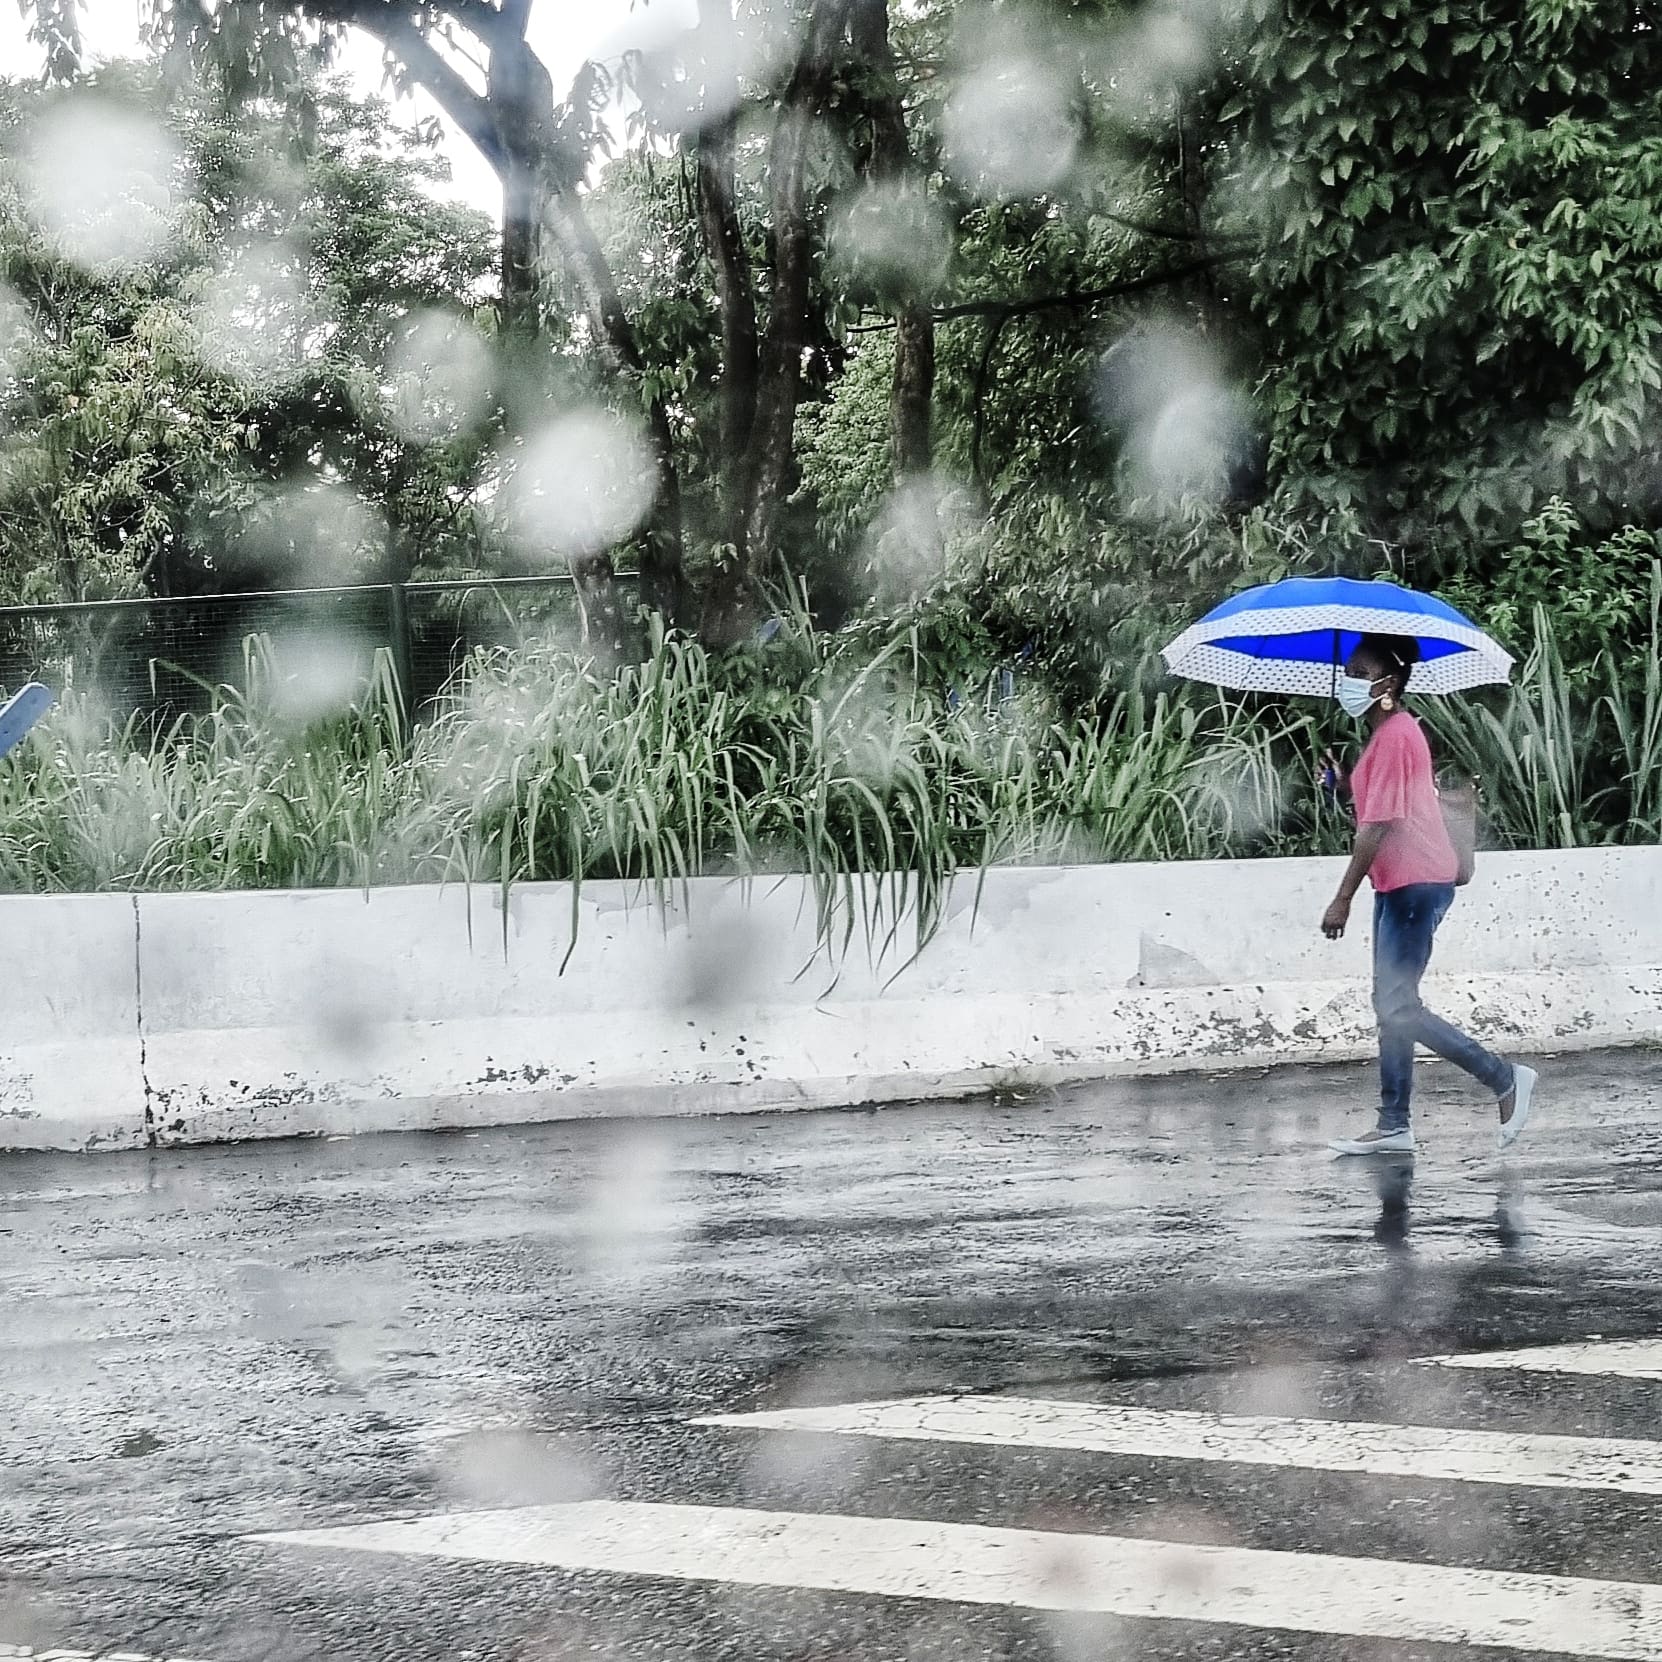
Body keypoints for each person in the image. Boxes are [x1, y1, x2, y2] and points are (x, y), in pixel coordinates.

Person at [1320, 634, 1537, 1155]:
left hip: (1416, 885)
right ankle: (1394, 1124)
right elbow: (1381, 807)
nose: (1350, 681)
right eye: (1348, 672)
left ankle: (1504, 1077)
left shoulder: (1397, 735)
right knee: (1392, 1005)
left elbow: (1376, 827)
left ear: (1389, 683)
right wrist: (1343, 786)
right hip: (1400, 883)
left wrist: (1342, 898)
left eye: (1360, 672)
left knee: (1396, 1004)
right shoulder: (1385, 736)